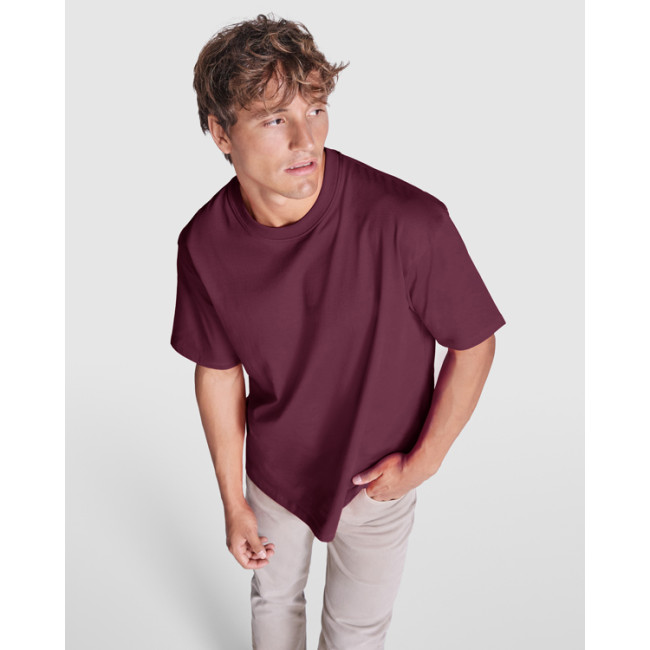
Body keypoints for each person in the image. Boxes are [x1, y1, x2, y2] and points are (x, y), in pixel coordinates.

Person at [170, 13, 506, 650]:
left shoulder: (409, 221)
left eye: (316, 110)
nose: (306, 139)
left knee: (356, 630)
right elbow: (217, 369)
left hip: (378, 476)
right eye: (275, 120)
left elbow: (473, 342)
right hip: (276, 471)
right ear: (220, 133)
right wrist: (233, 500)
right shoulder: (204, 243)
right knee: (273, 601)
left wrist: (422, 464)